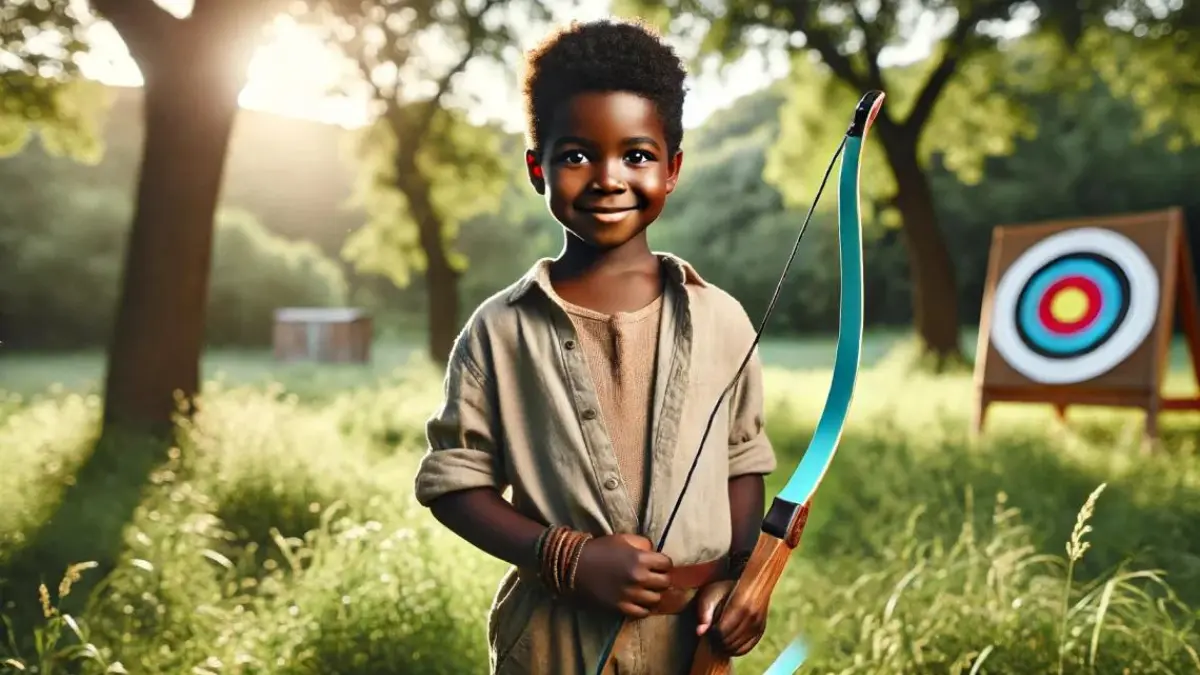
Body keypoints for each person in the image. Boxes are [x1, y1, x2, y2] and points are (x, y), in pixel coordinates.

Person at [413, 17, 777, 675]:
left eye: (636, 155)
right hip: (553, 643)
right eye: (577, 154)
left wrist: (738, 577)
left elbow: (741, 461)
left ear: (672, 169)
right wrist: (568, 556)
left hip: (691, 642)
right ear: (537, 167)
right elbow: (454, 482)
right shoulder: (499, 331)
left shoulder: (722, 318)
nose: (609, 178)